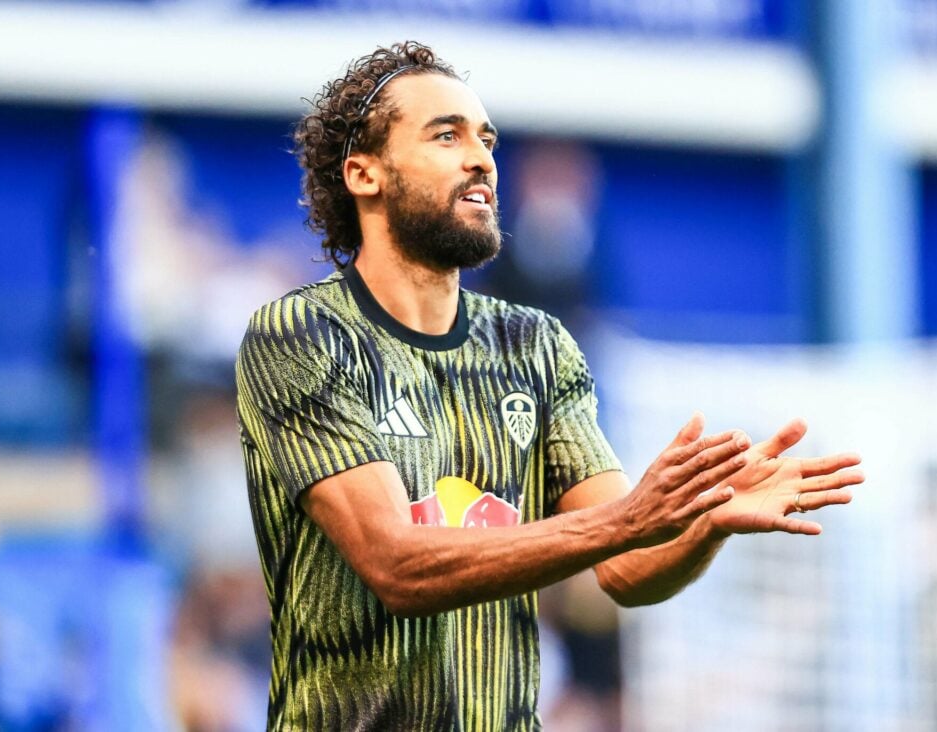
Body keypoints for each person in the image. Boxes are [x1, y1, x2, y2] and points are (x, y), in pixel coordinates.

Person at [235, 41, 864, 731]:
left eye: (486, 140)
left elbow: (628, 568)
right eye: (446, 136)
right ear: (365, 174)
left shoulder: (536, 345)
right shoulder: (299, 334)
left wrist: (701, 524)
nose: (480, 159)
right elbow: (395, 565)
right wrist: (623, 522)